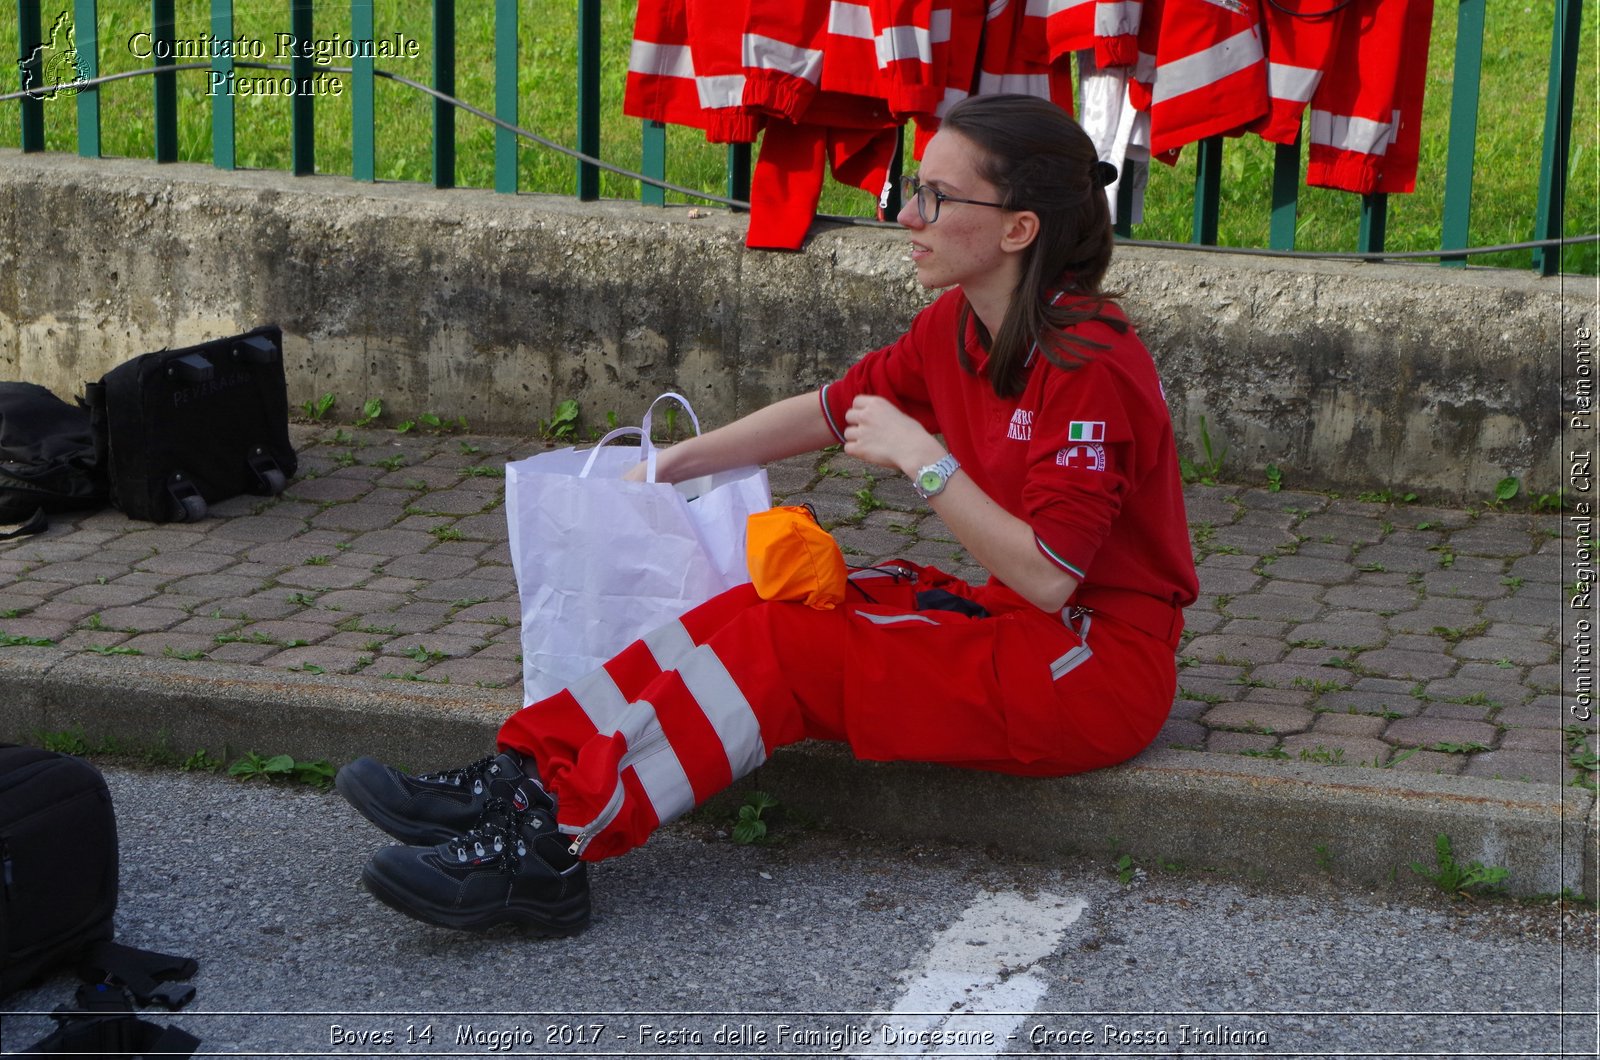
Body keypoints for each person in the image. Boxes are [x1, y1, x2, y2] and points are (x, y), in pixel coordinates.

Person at [334, 94, 1199, 936]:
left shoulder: (1090, 364)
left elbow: (1050, 578)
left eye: (937, 196)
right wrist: (667, 466)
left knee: (788, 649)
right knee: (772, 604)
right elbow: (825, 410)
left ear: (1020, 230)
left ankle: (553, 844)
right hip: (1024, 631)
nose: (907, 213)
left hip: (1092, 669)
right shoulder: (958, 325)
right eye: (913, 186)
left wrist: (922, 459)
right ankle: (520, 774)